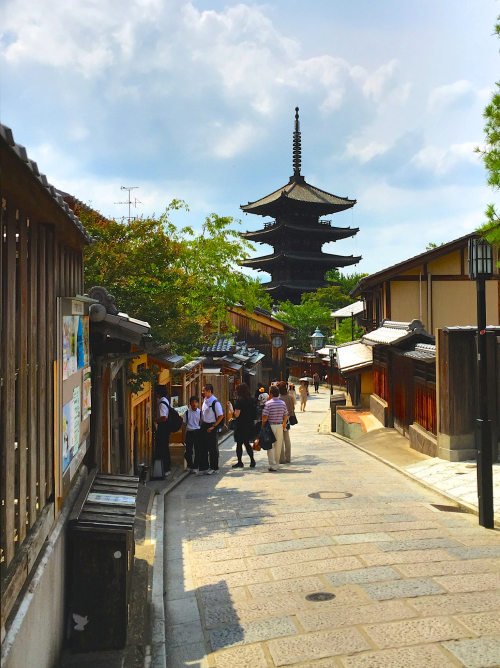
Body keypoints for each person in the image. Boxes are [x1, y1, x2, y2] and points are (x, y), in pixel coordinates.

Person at [227, 383, 256, 468]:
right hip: (250, 424)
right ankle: (252, 460)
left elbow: (236, 415)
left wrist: (230, 408)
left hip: (241, 425)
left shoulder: (240, 401)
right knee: (247, 444)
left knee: (239, 444)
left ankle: (240, 462)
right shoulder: (252, 400)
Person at [261, 385, 288, 471]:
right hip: (280, 425)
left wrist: (262, 425)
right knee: (278, 445)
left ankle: (272, 464)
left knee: (270, 445)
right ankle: (276, 463)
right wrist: (284, 423)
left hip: (271, 426)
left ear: (271, 393)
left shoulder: (268, 403)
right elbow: (286, 415)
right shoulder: (282, 403)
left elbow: (264, 417)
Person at [199, 384, 224, 475]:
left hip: (211, 425)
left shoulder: (215, 402)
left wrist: (214, 426)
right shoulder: (205, 400)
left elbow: (221, 416)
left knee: (212, 448)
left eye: (204, 391)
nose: (203, 392)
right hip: (204, 425)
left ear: (209, 391)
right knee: (204, 447)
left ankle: (214, 467)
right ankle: (205, 466)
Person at [154, 385, 171, 478]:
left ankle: (165, 468)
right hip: (166, 427)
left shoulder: (162, 403)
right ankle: (166, 468)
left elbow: (164, 417)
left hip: (163, 427)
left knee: (163, 447)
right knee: (165, 447)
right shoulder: (165, 400)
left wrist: (155, 420)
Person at [182, 395, 201, 473]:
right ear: (190, 404)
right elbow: (184, 425)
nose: (194, 404)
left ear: (198, 403)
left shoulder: (200, 412)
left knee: (198, 450)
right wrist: (183, 437)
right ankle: (190, 465)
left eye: (196, 402)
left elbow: (202, 423)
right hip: (189, 432)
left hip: (197, 432)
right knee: (188, 451)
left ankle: (195, 466)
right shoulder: (186, 413)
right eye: (192, 403)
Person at [278, 381, 295, 464]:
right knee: (287, 438)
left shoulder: (278, 398)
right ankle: (288, 457)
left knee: (280, 439)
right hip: (287, 418)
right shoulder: (290, 397)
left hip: (279, 419)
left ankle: (281, 459)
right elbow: (292, 409)